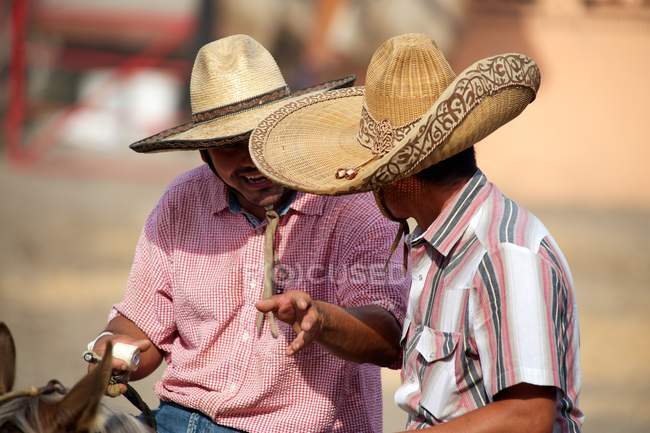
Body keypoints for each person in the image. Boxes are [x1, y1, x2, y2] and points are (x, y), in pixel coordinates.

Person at [249, 33, 583, 432]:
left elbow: (528, 417)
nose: (368, 189)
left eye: (372, 174)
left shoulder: (504, 254)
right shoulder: (441, 245)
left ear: (404, 177)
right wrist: (322, 319)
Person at [85, 34, 408, 433]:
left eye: (260, 137)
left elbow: (390, 337)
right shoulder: (183, 201)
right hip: (178, 419)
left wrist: (322, 320)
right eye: (228, 146)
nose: (250, 159)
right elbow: (143, 328)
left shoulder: (351, 206)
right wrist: (113, 351)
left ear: (290, 129)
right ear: (204, 152)